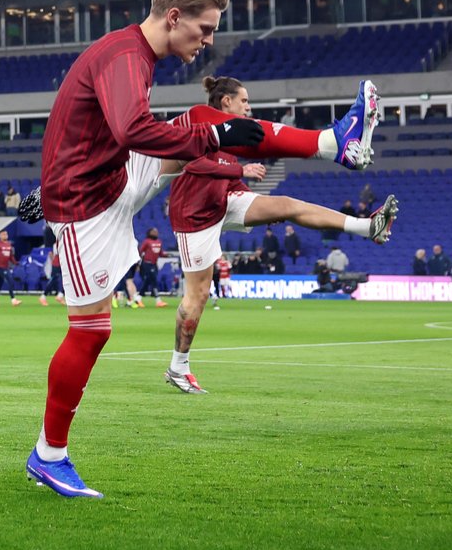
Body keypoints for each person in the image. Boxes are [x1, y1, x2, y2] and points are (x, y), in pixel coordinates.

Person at [25, 0, 263, 498]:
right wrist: (213, 137)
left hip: (111, 175)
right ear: (174, 17)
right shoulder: (126, 57)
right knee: (89, 331)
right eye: (204, 29)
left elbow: (121, 133)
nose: (208, 42)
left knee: (207, 127)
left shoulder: (134, 54)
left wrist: (214, 135)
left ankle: (330, 141)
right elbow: (132, 129)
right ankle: (48, 456)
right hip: (84, 200)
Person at [163, 74, 399, 395]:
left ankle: (367, 227)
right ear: (226, 102)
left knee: (287, 204)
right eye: (244, 101)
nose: (248, 107)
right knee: (198, 295)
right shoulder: (202, 128)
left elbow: (227, 181)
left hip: (225, 201)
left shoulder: (233, 140)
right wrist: (239, 170)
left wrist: (257, 204)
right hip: (194, 215)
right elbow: (192, 167)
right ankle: (178, 366)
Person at [138, 229, 167, 308]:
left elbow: (160, 253)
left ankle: (138, 298)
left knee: (147, 281)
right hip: (147, 263)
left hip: (154, 264)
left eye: (157, 231)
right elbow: (141, 251)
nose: (156, 233)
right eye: (154, 231)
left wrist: (166, 255)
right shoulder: (147, 241)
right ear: (149, 232)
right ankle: (158, 300)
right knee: (154, 281)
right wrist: (140, 260)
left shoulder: (159, 242)